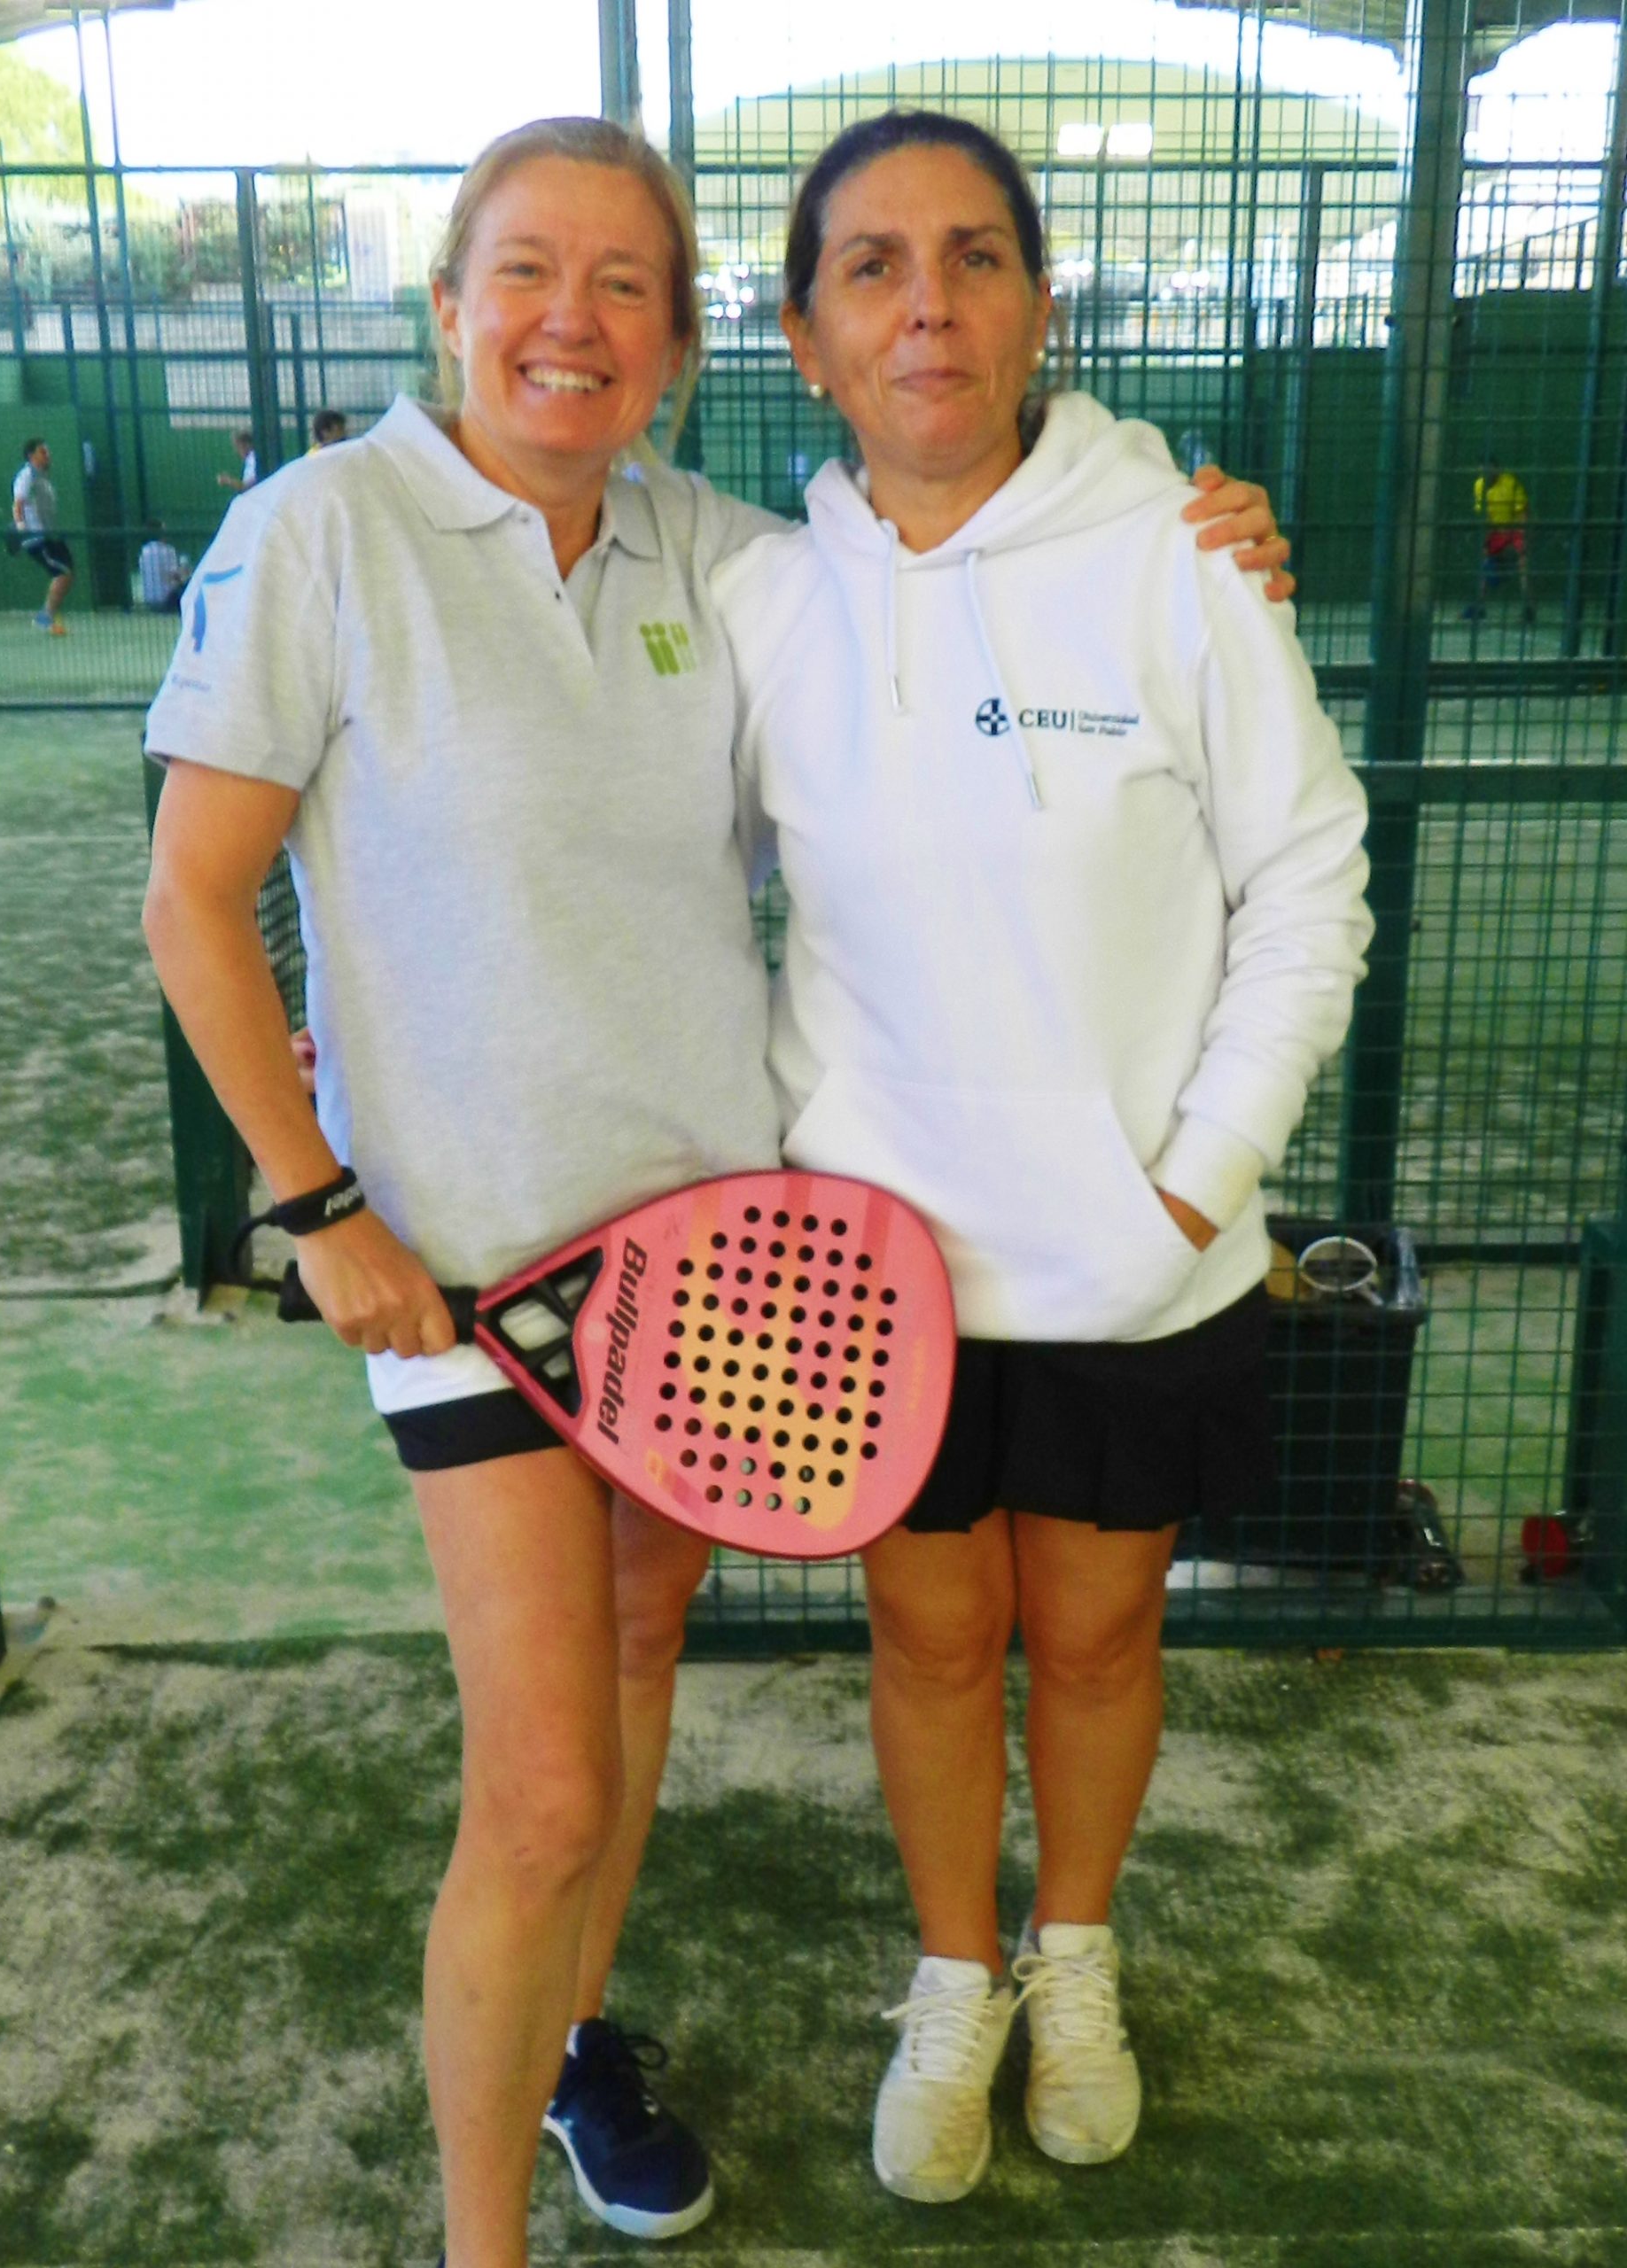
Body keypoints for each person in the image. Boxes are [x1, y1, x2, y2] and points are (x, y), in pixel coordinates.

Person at [142, 117, 1292, 2268]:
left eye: (622, 286)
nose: (568, 323)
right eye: (524, 272)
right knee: (546, 1786)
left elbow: (960, 535)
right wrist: (317, 1206)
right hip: (472, 1284)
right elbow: (191, 900)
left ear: (683, 343)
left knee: (644, 1645)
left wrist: (1187, 519)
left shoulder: (727, 556)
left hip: (711, 1258)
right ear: (448, 302)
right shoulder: (319, 534)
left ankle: (582, 2042)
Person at [712, 109, 1371, 2207]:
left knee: (1093, 1640)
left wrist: (1193, 1181)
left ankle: (1071, 1959)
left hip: (1136, 1263)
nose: (928, 305)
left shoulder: (1183, 552)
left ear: (1039, 307)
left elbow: (1310, 878)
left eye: (975, 257)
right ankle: (954, 1973)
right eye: (874, 266)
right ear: (806, 335)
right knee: (927, 1644)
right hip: (874, 1276)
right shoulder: (755, 599)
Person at [12, 437, 73, 634]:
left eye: (48, 451)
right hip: (36, 538)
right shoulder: (26, 476)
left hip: (51, 535)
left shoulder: (42, 477)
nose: (48, 455)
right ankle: (44, 618)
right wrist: (21, 526)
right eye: (43, 452)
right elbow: (18, 504)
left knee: (67, 574)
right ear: (32, 455)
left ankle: (49, 615)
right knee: (61, 574)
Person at [1465, 455, 1533, 624]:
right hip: (1496, 531)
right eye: (1482, 471)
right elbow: (1485, 516)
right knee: (1485, 563)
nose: (1486, 474)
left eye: (1489, 469)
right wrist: (1486, 541)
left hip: (1515, 529)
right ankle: (1479, 606)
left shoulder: (1510, 482)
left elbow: (1523, 512)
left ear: (1497, 469)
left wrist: (1523, 537)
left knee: (1523, 563)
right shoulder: (1479, 486)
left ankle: (1529, 607)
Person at [137, 520, 191, 613]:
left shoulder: (143, 551)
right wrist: (184, 566)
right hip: (166, 600)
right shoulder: (168, 550)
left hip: (149, 601)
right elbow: (176, 576)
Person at [217, 426, 258, 493]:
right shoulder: (251, 459)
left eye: (238, 447)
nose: (236, 451)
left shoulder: (252, 459)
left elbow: (246, 486)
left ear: (247, 445)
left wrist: (227, 480)